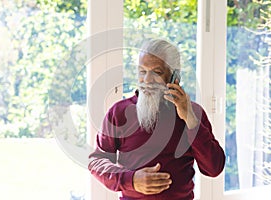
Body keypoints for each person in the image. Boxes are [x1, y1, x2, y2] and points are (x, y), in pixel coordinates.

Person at [88, 39, 225, 200]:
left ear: (174, 76)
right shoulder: (119, 112)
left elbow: (214, 168)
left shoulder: (193, 112)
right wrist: (131, 180)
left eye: (157, 72)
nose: (147, 80)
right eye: (142, 71)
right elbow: (97, 161)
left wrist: (189, 118)